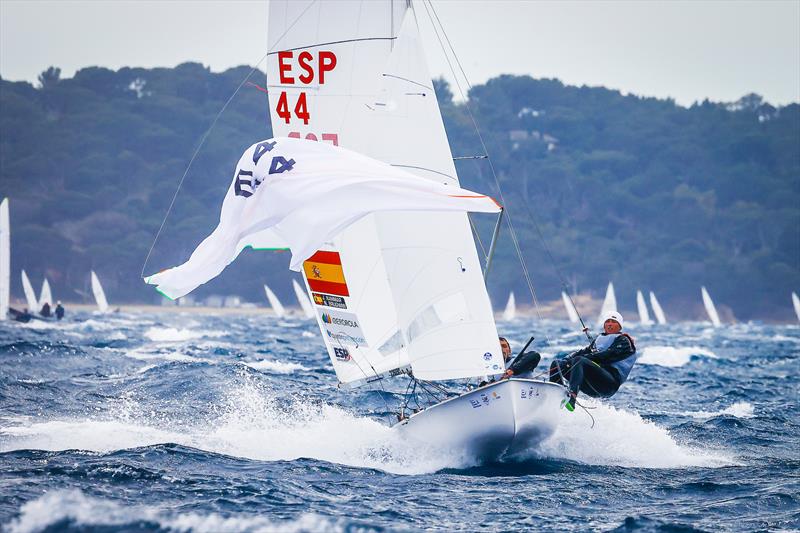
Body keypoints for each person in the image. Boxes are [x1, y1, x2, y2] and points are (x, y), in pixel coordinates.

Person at [549, 311, 637, 412]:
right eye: (607, 321)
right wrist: (567, 360)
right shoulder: (599, 340)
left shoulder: (624, 341)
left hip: (609, 383)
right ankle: (555, 399)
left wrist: (585, 357)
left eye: (613, 322)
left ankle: (572, 398)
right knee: (557, 364)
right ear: (604, 325)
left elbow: (607, 355)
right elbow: (583, 352)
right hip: (592, 383)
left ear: (620, 326)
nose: (610, 324)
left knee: (579, 360)